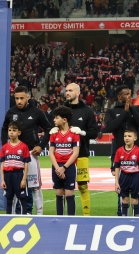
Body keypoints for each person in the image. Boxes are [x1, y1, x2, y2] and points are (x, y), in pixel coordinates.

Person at [1, 86, 52, 215]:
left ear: (28, 97)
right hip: (13, 156)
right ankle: (15, 214)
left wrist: (41, 145)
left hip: (30, 154)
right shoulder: (10, 112)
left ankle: (40, 216)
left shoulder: (37, 112)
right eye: (16, 98)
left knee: (34, 187)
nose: (19, 101)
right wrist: (4, 146)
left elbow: (48, 129)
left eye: (21, 98)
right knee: (14, 187)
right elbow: (4, 129)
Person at [103, 85, 139, 216]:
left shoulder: (137, 109)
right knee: (122, 188)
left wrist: (132, 109)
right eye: (126, 94)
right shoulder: (111, 112)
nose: (130, 96)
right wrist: (124, 112)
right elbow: (108, 128)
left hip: (138, 152)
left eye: (130, 93)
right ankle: (122, 216)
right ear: (119, 97)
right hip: (120, 154)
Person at [62, 83, 98, 216]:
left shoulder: (87, 111)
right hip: (63, 154)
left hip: (81, 154)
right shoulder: (62, 109)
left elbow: (94, 132)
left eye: (70, 90)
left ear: (78, 93)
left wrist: (82, 132)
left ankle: (86, 216)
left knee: (82, 185)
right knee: (63, 188)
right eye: (66, 91)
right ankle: (63, 216)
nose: (67, 93)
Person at [49, 106, 80, 216]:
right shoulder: (53, 134)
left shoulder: (74, 134)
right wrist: (58, 168)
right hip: (57, 166)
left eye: (56, 118)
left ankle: (71, 220)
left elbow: (75, 153)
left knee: (69, 193)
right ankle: (60, 219)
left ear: (64, 120)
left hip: (69, 167)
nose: (54, 120)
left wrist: (64, 168)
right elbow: (51, 152)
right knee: (59, 193)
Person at [114, 128, 139, 216]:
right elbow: (117, 167)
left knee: (135, 200)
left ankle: (135, 219)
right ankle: (125, 218)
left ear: (135, 138)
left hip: (135, 177)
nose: (127, 138)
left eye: (129, 136)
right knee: (125, 199)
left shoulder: (138, 151)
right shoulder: (119, 151)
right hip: (123, 177)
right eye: (125, 136)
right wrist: (116, 182)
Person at [0, 121, 30, 214]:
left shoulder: (24, 147)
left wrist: (24, 179)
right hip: (8, 175)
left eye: (14, 130)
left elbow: (26, 164)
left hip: (19, 174)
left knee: (22, 199)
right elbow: (2, 163)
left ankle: (24, 218)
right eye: (9, 130)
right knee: (9, 199)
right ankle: (9, 219)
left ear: (19, 132)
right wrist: (3, 179)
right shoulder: (4, 147)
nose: (11, 132)